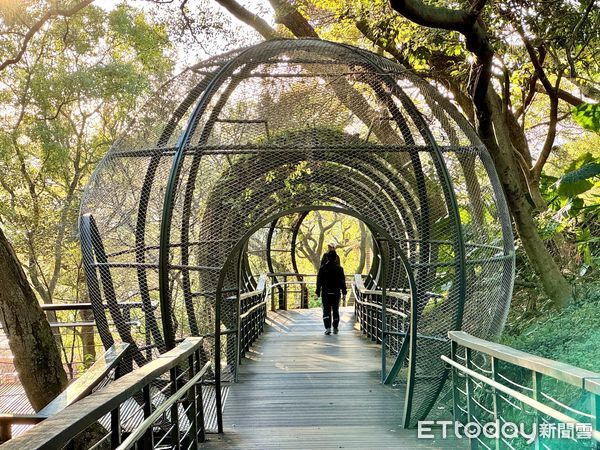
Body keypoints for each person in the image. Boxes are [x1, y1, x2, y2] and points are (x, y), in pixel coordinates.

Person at [316, 251, 347, 335]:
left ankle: (328, 327)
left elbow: (319, 281)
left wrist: (318, 291)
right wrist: (344, 290)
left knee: (326, 310)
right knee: (335, 310)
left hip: (326, 293)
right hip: (336, 293)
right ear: (335, 258)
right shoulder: (340, 269)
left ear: (327, 258)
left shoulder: (322, 268)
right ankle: (335, 327)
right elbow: (342, 281)